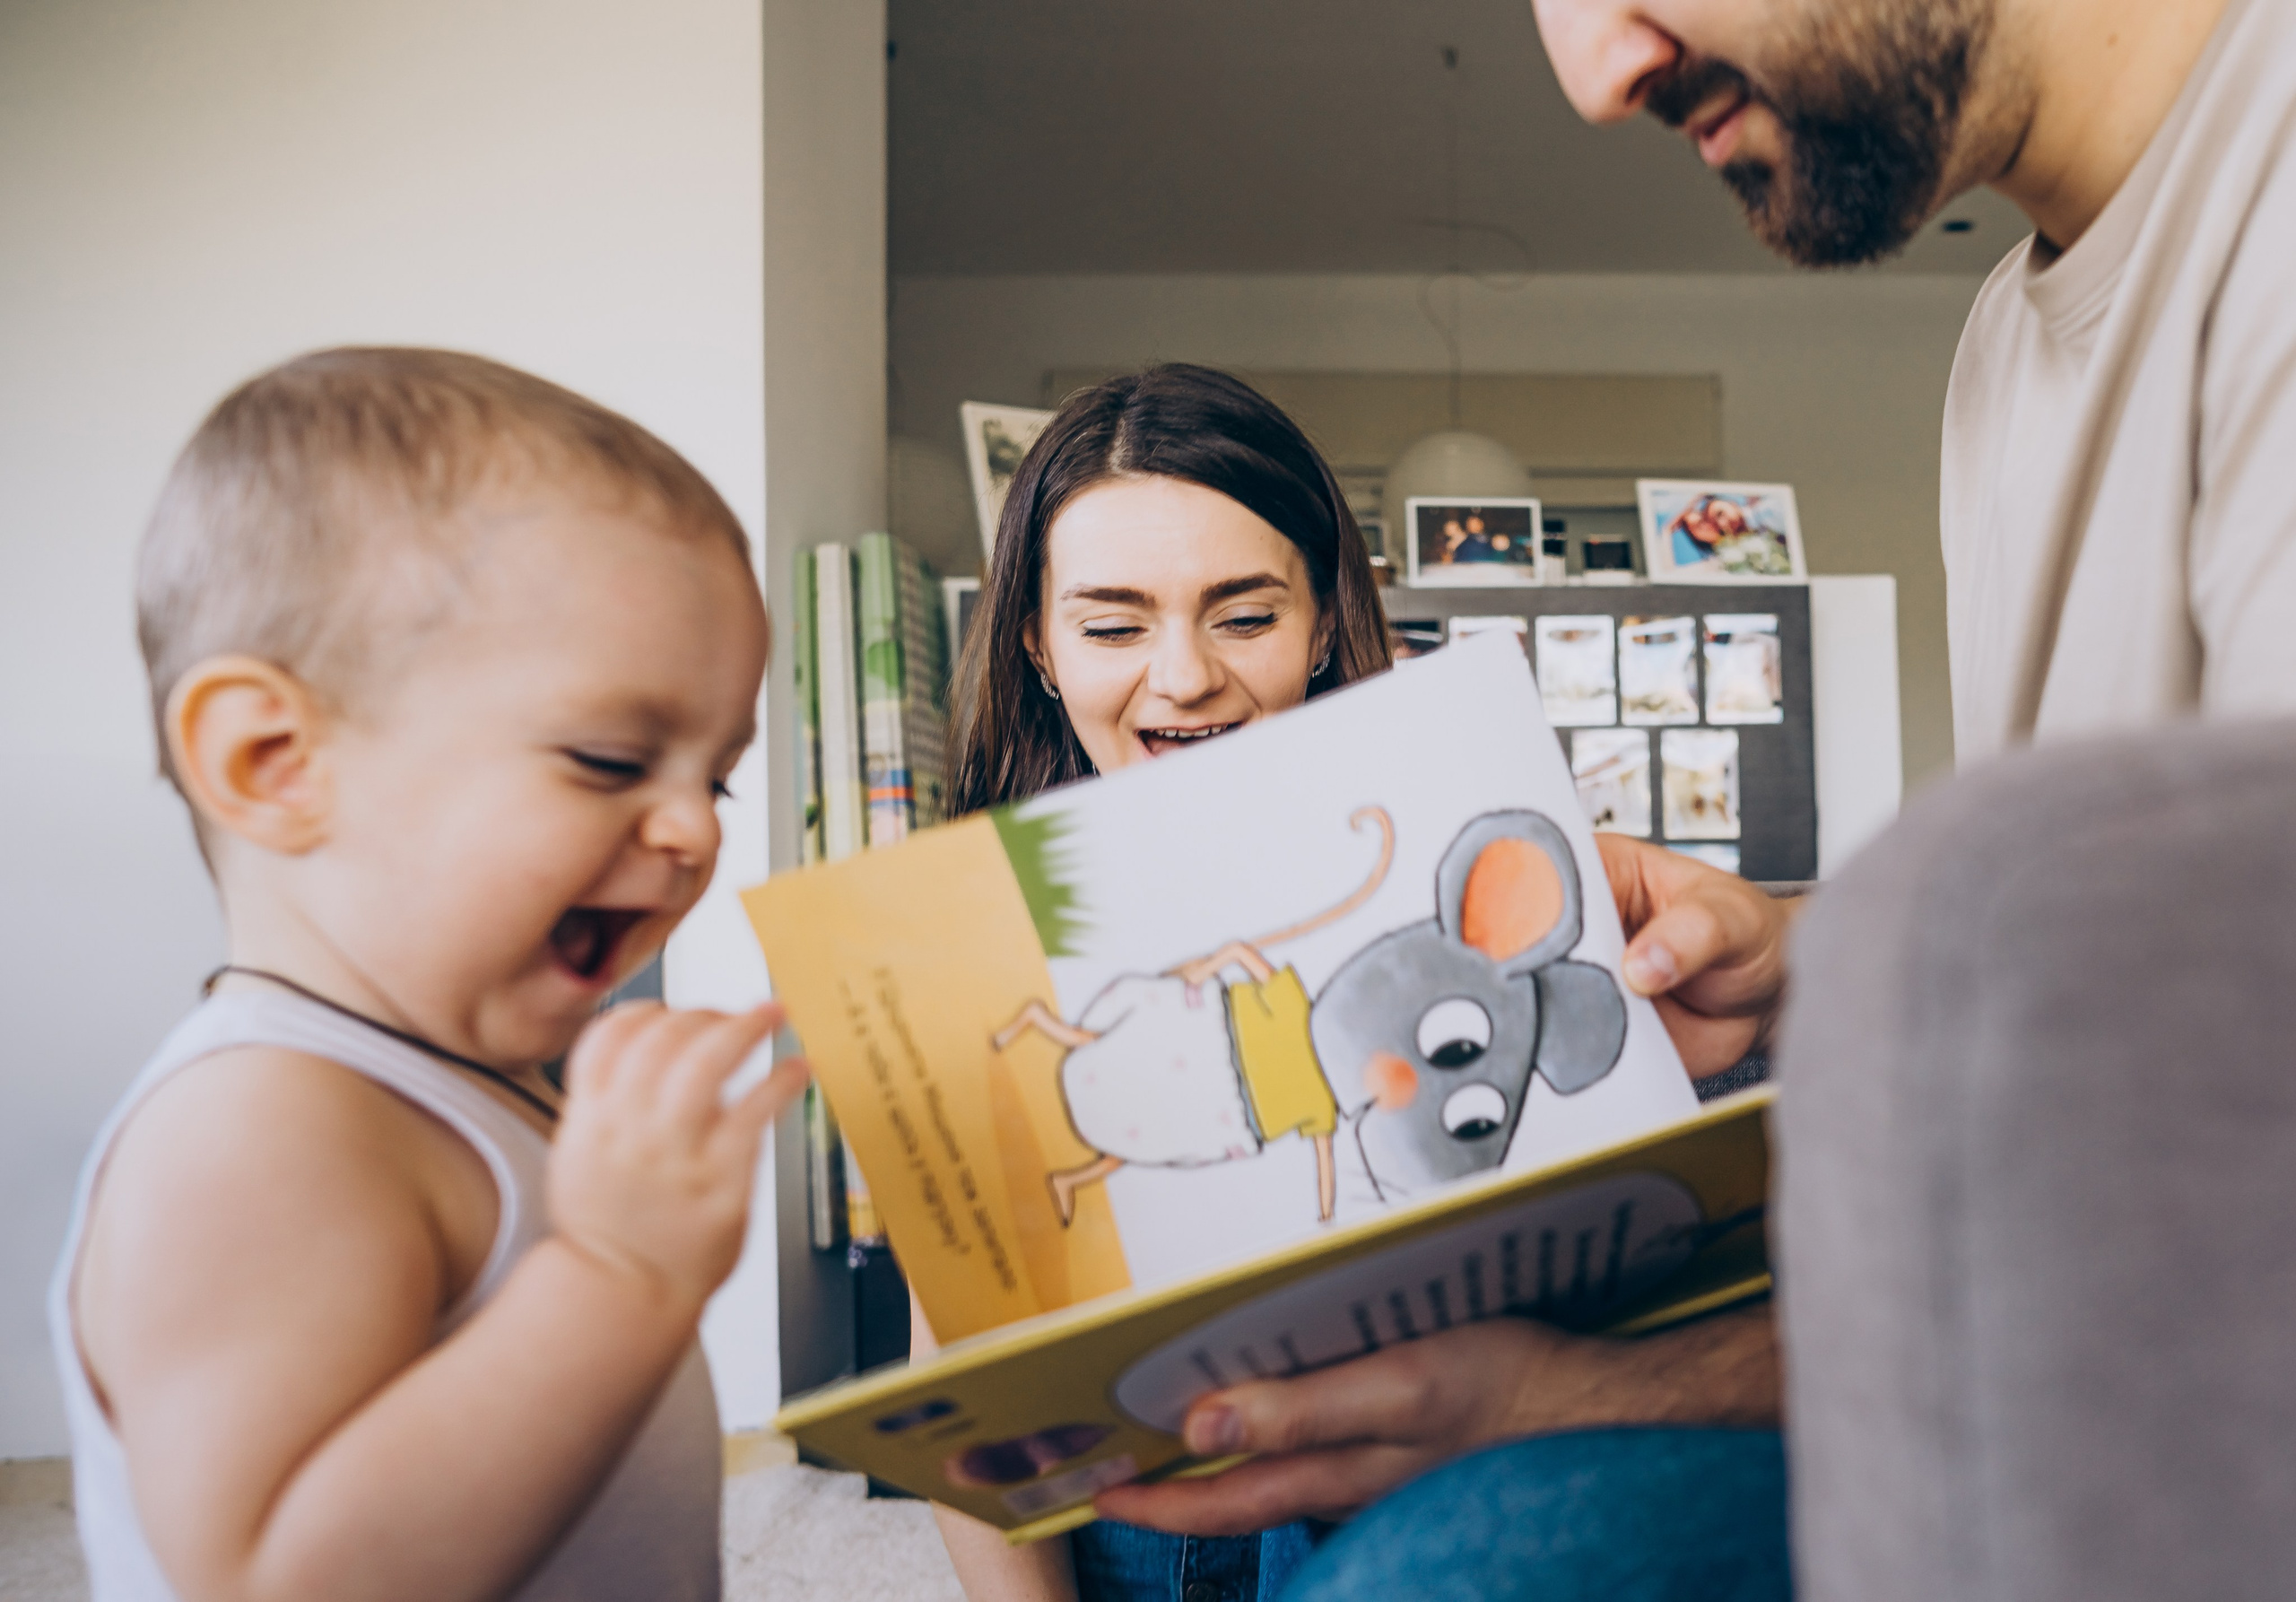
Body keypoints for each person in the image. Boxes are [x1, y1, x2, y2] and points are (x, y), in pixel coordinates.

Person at [1105, 0, 2296, 1593]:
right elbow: (2155, 984)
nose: (1596, 75)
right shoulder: (2007, 351)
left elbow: (2220, 1234)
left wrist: (1573, 1397)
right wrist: (1805, 957)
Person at [52, 347, 810, 1601]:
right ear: (273, 762)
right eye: (614, 759)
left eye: (714, 773)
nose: (697, 830)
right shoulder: (258, 1130)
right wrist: (622, 1273)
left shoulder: (467, 1078)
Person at [926, 363, 1389, 1602]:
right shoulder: (971, 924)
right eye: (1114, 623)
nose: (1182, 679)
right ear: (1034, 639)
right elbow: (961, 1343)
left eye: (1243, 616)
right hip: (1130, 1509)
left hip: (1406, 1483)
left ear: (1328, 618)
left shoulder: (1414, 857)